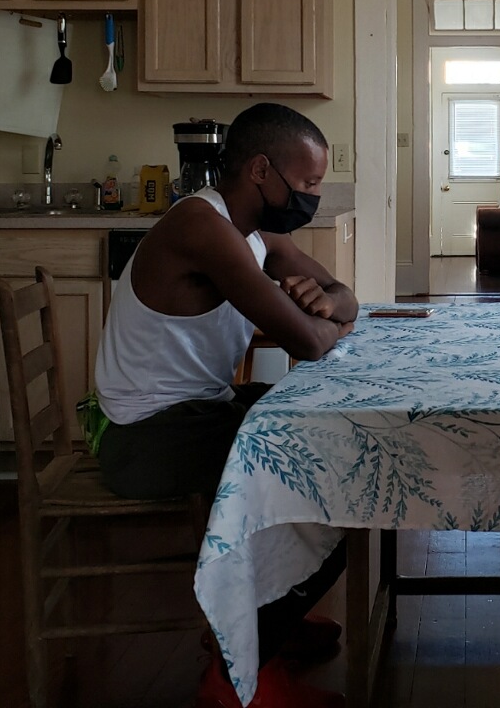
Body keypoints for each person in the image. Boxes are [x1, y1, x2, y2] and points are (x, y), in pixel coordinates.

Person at [94, 102, 358, 708]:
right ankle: (238, 674)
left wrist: (326, 302)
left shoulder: (256, 233)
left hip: (193, 413)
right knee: (324, 468)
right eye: (309, 183)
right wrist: (322, 318)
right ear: (262, 170)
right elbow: (309, 341)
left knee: (320, 437)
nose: (312, 196)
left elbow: (345, 299)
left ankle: (267, 622)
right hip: (142, 438)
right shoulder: (203, 227)